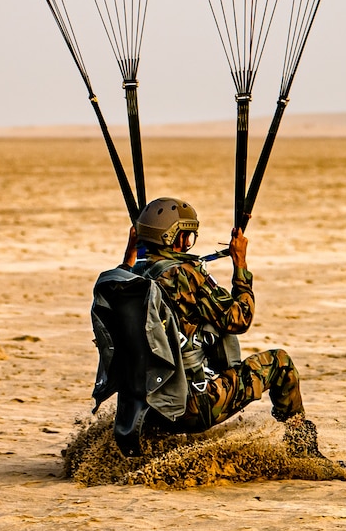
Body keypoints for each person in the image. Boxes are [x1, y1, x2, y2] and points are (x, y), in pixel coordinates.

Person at [121, 196, 325, 457]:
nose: (188, 242)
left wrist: (130, 253)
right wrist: (240, 266)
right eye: (187, 235)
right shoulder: (185, 275)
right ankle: (303, 450)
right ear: (176, 238)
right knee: (280, 364)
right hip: (192, 407)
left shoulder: (127, 279)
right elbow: (239, 319)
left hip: (146, 412)